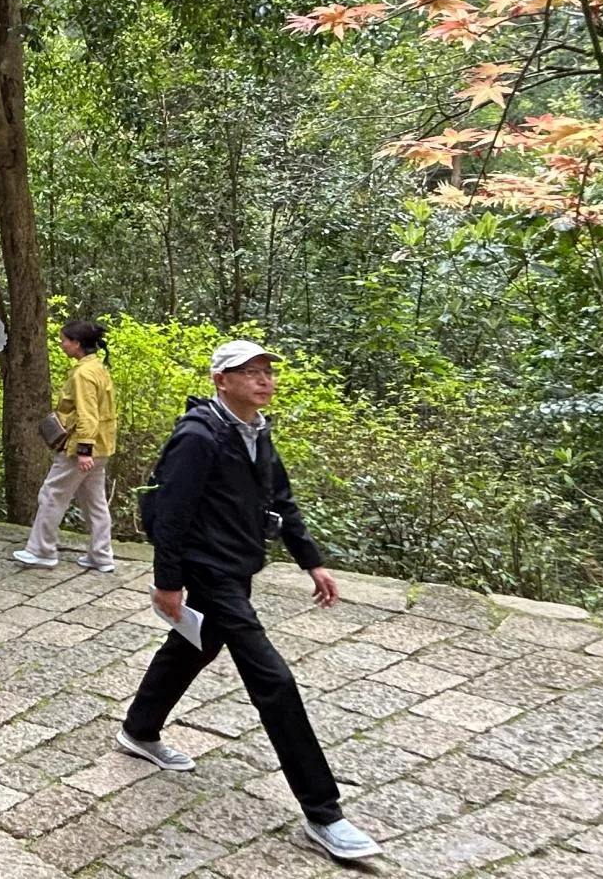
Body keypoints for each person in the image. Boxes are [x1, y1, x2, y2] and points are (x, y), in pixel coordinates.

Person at [116, 340, 381, 862]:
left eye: (266, 371)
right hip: (208, 571)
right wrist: (167, 582)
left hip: (236, 568)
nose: (263, 379)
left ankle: (139, 729)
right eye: (249, 372)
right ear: (221, 380)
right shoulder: (199, 435)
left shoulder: (257, 431)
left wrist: (312, 560)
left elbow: (280, 500)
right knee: (274, 680)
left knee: (193, 647)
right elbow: (170, 512)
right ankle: (324, 813)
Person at [15, 318, 118, 571]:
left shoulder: (83, 374)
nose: (61, 344)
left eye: (64, 340)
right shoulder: (97, 368)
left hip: (80, 449)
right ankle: (101, 555)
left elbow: (87, 414)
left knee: (52, 494)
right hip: (103, 445)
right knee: (95, 502)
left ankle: (41, 550)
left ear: (77, 344)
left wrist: (84, 450)